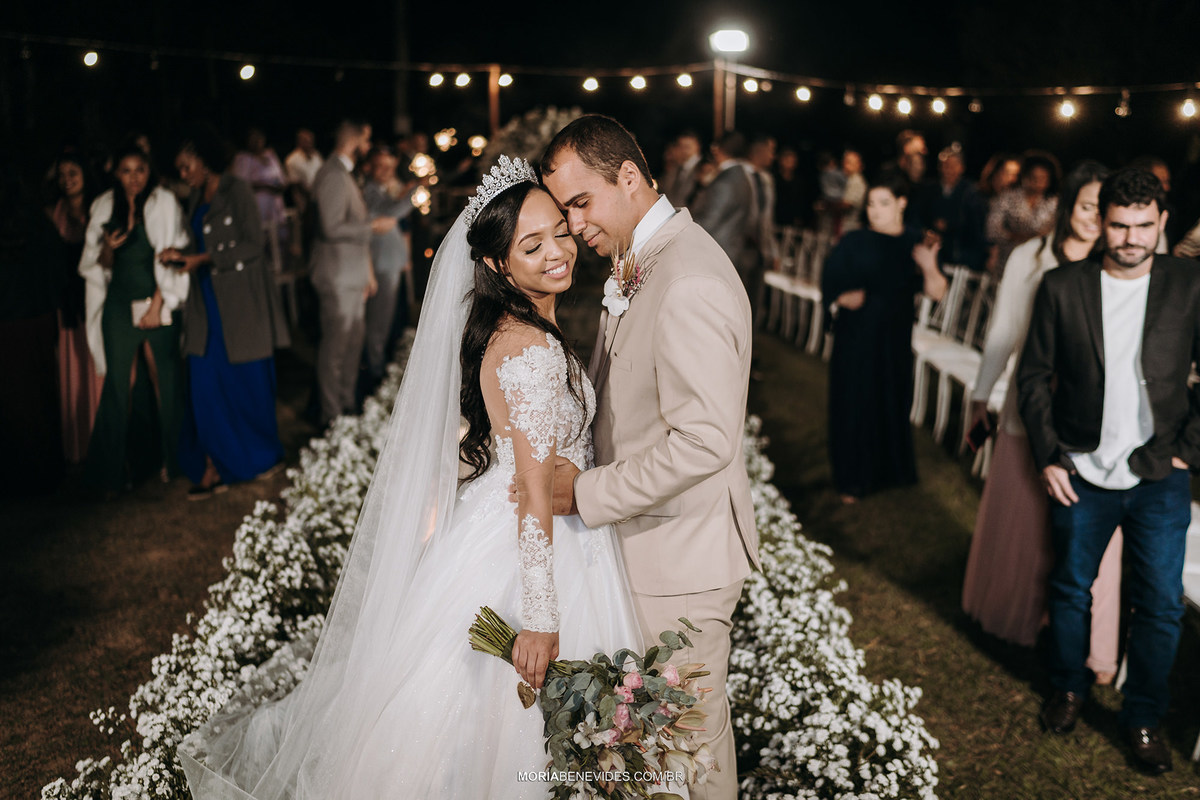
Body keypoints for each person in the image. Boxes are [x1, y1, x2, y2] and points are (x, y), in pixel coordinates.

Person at [179, 157, 645, 798]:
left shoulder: (514, 326)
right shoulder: (530, 349)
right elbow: (534, 491)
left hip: (510, 521)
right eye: (531, 246)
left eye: (561, 232)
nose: (559, 252)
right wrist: (538, 616)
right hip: (535, 547)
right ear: (495, 264)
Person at [540, 114, 760, 800]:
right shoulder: (648, 260)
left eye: (581, 203)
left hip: (681, 562)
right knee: (656, 754)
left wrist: (585, 494)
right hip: (649, 549)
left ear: (629, 177)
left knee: (689, 753)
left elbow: (703, 441)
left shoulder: (688, 279)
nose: (574, 226)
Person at [1017, 168, 1200, 775]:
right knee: (1071, 589)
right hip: (1081, 469)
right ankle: (1069, 688)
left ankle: (1143, 717)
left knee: (1161, 605)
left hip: (1160, 474)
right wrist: (1048, 454)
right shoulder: (1062, 286)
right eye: (1118, 224)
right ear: (1102, 222)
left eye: (1143, 225)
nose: (1130, 238)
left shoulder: (1189, 283)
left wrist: (1189, 451)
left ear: (1162, 222)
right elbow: (1034, 377)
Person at [962, 162, 1122, 682]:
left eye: (1104, 210)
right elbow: (1004, 328)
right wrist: (982, 395)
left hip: (1097, 412)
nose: (1094, 219)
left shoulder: (1117, 261)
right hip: (1032, 403)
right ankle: (1022, 615)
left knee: (1093, 523)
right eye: (1085, 207)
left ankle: (1088, 637)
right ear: (1067, 205)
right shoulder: (1031, 256)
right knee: (1027, 518)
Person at [162, 128, 291, 498]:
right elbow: (196, 240)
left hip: (240, 304)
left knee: (246, 383)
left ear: (204, 159)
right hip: (204, 302)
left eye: (187, 166)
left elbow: (252, 244)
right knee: (205, 384)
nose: (184, 174)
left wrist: (204, 258)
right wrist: (178, 253)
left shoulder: (237, 190)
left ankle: (259, 459)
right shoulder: (193, 198)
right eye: (180, 169)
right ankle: (213, 462)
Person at [821, 171, 948, 503]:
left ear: (901, 203)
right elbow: (829, 279)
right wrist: (840, 297)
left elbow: (937, 292)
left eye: (883, 203)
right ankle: (852, 478)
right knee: (854, 402)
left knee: (890, 400)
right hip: (856, 337)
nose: (875, 211)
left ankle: (891, 472)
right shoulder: (853, 240)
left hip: (893, 338)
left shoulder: (914, 243)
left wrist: (929, 264)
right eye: (871, 204)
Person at [79, 145, 189, 495]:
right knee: (118, 383)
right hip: (118, 305)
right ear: (117, 174)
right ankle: (112, 470)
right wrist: (108, 249)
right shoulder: (103, 206)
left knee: (163, 379)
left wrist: (159, 304)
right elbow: (98, 268)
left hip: (157, 301)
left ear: (148, 170)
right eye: (126, 170)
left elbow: (172, 255)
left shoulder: (163, 202)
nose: (134, 177)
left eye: (139, 169)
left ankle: (174, 459)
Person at [309, 119, 394, 425]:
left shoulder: (345, 173)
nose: (368, 147)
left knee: (352, 346)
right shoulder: (332, 174)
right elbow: (331, 227)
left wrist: (367, 274)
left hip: (353, 275)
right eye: (366, 140)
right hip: (336, 275)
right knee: (335, 349)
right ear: (354, 139)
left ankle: (346, 408)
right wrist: (372, 225)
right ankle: (331, 417)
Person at [45, 151, 103, 464]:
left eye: (73, 172)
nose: (67, 180)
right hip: (68, 307)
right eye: (62, 174)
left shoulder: (97, 209)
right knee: (74, 372)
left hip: (94, 304)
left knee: (97, 371)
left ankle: (103, 444)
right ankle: (79, 450)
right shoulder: (55, 213)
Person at [361, 145, 416, 387]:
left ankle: (380, 366)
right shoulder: (369, 191)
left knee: (389, 320)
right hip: (381, 265)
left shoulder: (383, 190)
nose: (386, 171)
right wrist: (413, 194)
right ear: (370, 166)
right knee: (378, 323)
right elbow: (391, 211)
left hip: (392, 263)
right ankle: (375, 372)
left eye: (390, 167)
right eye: (381, 166)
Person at [692, 131, 757, 289]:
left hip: (719, 253)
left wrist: (683, 227)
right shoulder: (742, 176)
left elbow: (708, 223)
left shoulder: (726, 181)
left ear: (718, 149)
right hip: (733, 250)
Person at [986, 151, 1060, 275]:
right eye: (1033, 177)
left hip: (1039, 262)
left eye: (1043, 178)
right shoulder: (1007, 197)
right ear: (1024, 176)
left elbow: (1056, 233)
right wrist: (1016, 237)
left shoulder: (1054, 204)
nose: (1037, 182)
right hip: (1007, 260)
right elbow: (992, 229)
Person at [915, 146, 988, 272]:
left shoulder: (971, 192)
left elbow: (976, 224)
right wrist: (927, 232)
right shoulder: (928, 190)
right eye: (945, 165)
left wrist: (950, 226)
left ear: (961, 168)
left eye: (953, 165)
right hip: (934, 247)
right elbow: (918, 215)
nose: (949, 170)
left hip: (961, 250)